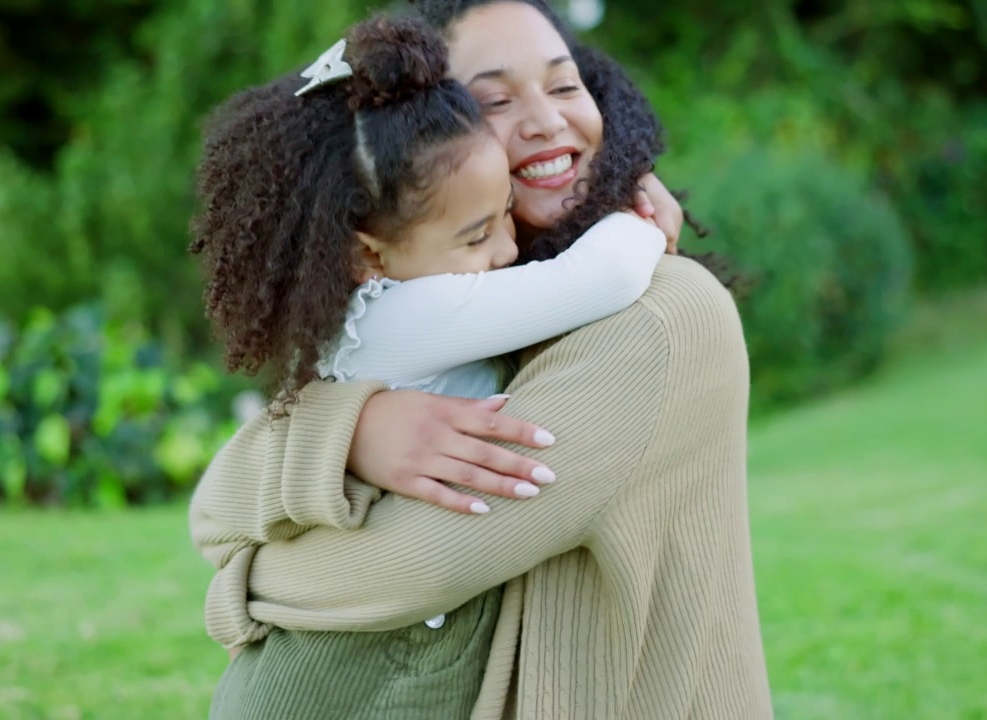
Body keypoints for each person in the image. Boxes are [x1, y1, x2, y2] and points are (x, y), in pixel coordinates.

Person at [190, 1, 773, 718]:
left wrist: (241, 585)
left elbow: (425, 562)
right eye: (490, 99)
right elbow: (218, 501)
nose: (546, 122)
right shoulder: (456, 303)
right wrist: (355, 428)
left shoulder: (652, 318)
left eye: (565, 85)